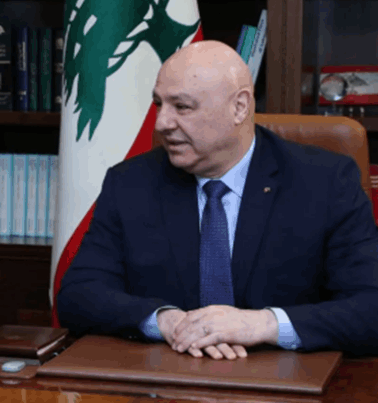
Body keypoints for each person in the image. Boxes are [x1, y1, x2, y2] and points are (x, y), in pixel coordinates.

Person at [56, 40, 378, 359]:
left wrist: (263, 324)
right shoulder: (130, 183)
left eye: (182, 107)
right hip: (166, 375)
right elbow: (78, 295)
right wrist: (165, 321)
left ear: (239, 107)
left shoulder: (325, 182)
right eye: (159, 104)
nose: (162, 123)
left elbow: (370, 308)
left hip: (283, 378)